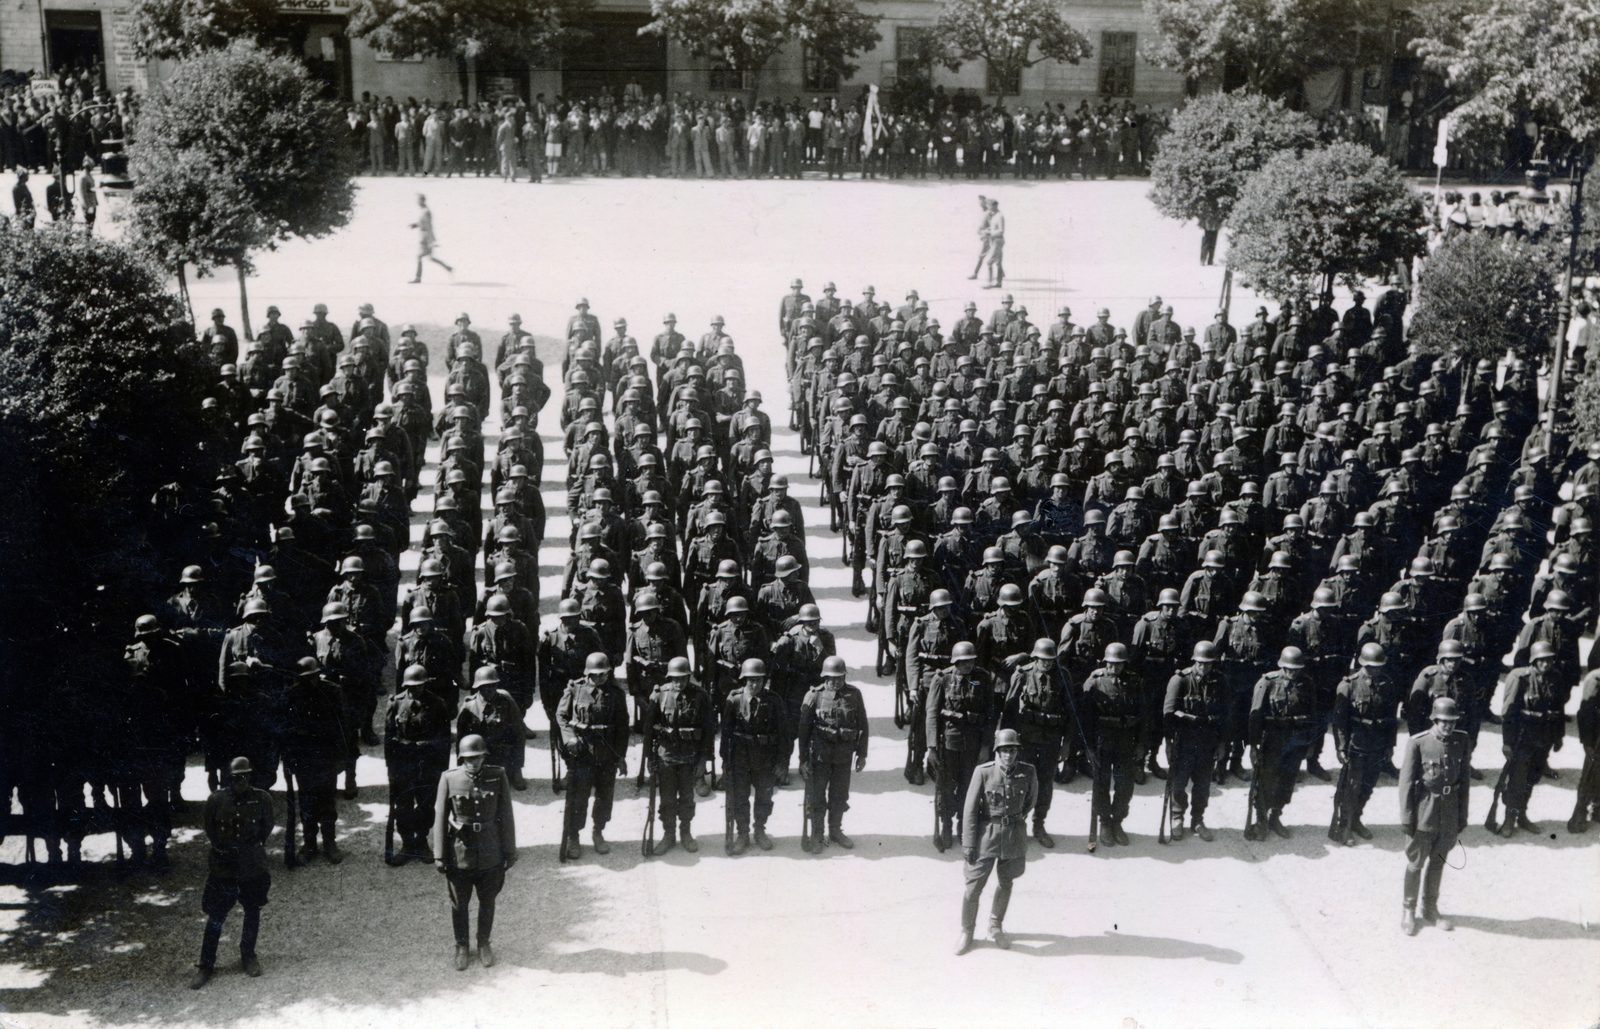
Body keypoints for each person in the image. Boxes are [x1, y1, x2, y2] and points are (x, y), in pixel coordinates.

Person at [430, 734, 517, 970]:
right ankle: (461, 946)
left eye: (478, 757)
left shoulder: (497, 775)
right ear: (461, 758)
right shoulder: (449, 778)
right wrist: (439, 854)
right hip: (460, 852)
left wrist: (510, 851)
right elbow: (440, 817)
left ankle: (483, 943)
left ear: (484, 756)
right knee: (460, 903)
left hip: (490, 850)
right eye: (468, 758)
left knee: (487, 900)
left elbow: (506, 815)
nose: (473, 762)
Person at [191, 757, 275, 990]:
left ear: (251, 777)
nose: (242, 780)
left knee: (252, 909)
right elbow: (210, 828)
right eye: (237, 777)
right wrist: (224, 849)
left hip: (251, 863)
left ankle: (248, 955)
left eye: (246, 776)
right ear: (229, 778)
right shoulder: (216, 800)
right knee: (216, 914)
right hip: (223, 863)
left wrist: (249, 849)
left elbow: (266, 827)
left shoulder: (262, 798)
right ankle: (206, 964)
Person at [956, 728, 1037, 956]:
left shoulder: (1028, 772)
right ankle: (967, 931)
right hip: (986, 836)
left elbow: (1030, 801)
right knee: (973, 887)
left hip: (1013, 837)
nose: (1008, 755)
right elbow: (970, 811)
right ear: (997, 752)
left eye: (1012, 750)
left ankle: (995, 925)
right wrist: (969, 844)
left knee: (1006, 882)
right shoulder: (983, 772)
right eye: (1004, 751)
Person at [1398, 697, 1468, 935]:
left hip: (1449, 812)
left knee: (1438, 863)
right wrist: (1407, 817)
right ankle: (1408, 910)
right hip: (1424, 811)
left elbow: (1464, 781)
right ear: (1434, 720)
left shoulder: (1461, 740)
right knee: (1416, 863)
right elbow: (1406, 783)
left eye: (1452, 721)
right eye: (1443, 722)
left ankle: (1430, 908)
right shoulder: (1419, 743)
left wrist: (1462, 815)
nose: (1448, 726)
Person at [555, 652, 630, 859]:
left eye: (603, 674)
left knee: (605, 797)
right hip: (582, 753)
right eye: (595, 675)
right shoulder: (575, 689)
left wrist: (621, 756)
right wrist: (570, 738)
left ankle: (598, 832)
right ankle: (573, 836)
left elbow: (623, 727)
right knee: (578, 799)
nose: (599, 678)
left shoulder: (616, 694)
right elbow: (561, 716)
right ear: (587, 674)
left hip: (607, 754)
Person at [641, 656, 715, 854]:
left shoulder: (700, 696)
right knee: (667, 800)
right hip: (666, 756)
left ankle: (686, 832)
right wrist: (649, 758)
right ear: (669, 677)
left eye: (683, 678)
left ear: (689, 676)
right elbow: (648, 729)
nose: (679, 682)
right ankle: (669, 835)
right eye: (675, 678)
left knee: (687, 798)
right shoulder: (660, 695)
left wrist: (704, 760)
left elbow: (709, 731)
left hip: (689, 757)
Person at [797, 655, 869, 852]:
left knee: (839, 795)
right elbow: (803, 732)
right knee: (817, 796)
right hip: (820, 756)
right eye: (832, 678)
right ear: (824, 678)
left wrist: (862, 754)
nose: (836, 682)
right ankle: (818, 833)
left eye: (840, 678)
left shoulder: (854, 695)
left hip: (843, 756)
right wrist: (802, 759)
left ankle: (835, 830)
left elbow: (862, 724)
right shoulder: (814, 696)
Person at [721, 657, 788, 854]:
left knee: (764, 796)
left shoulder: (774, 700)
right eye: (751, 680)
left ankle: (759, 830)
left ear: (765, 680)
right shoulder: (733, 700)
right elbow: (726, 733)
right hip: (740, 758)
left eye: (759, 680)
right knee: (740, 797)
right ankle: (743, 833)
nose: (755, 684)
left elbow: (784, 734)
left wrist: (782, 762)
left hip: (765, 758)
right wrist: (725, 761)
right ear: (744, 680)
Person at [409, 194, 453, 283]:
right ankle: (448, 268)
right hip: (425, 236)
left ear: (422, 201)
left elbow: (428, 226)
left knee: (420, 256)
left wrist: (430, 240)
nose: (417, 202)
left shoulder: (426, 212)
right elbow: (423, 223)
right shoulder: (424, 211)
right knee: (430, 258)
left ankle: (418, 278)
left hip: (426, 237)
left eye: (418, 200)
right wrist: (416, 225)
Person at [983, 199, 1006, 289]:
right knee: (998, 262)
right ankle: (998, 282)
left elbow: (1001, 231)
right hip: (995, 241)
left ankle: (989, 282)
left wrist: (989, 233)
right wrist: (989, 230)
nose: (988, 208)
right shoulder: (995, 215)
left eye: (989, 206)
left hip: (997, 241)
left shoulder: (999, 216)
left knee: (989, 262)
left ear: (994, 206)